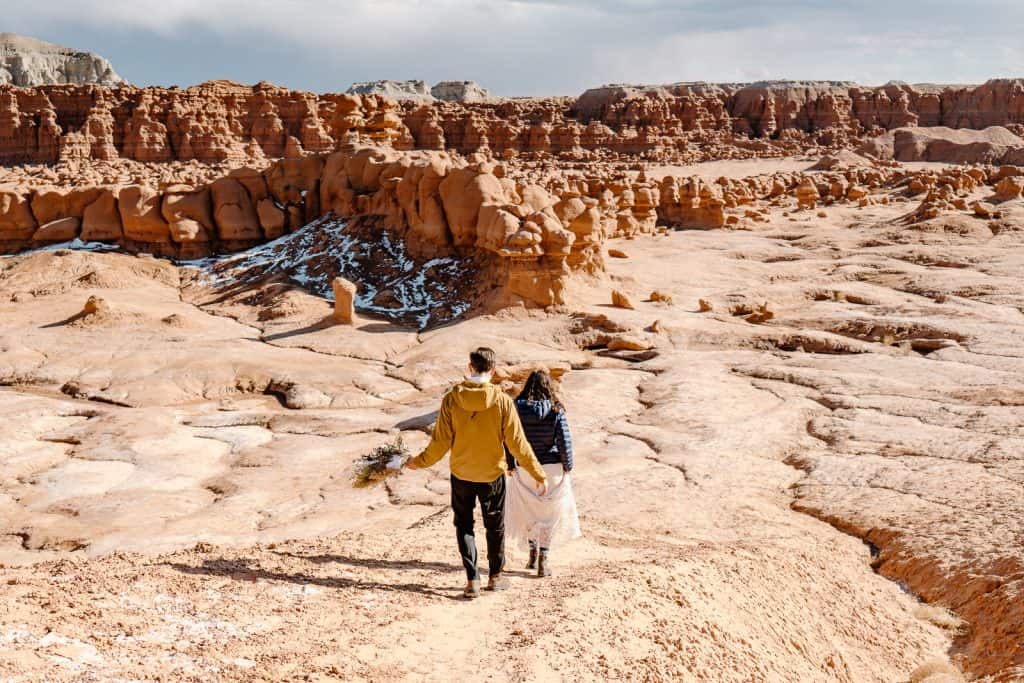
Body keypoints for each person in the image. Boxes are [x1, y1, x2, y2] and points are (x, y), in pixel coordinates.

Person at [405, 347, 548, 599]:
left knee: (464, 525)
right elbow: (517, 444)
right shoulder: (502, 400)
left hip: (461, 473)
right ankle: (495, 576)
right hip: (492, 474)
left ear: (470, 367)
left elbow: (440, 443)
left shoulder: (451, 399)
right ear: (492, 371)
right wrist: (538, 473)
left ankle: (472, 580)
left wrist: (419, 462)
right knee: (495, 526)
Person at [504, 370, 581, 577]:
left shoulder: (516, 409)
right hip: (551, 468)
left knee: (529, 511)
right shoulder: (556, 410)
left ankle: (532, 551)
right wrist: (567, 466)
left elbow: (508, 438)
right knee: (549, 515)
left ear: (527, 386)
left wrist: (510, 463)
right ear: (549, 386)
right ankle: (543, 559)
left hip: (525, 467)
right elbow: (564, 442)